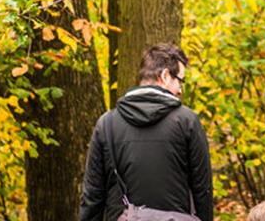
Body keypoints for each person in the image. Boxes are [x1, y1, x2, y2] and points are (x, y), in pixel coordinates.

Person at [79, 44, 214, 221]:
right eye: (180, 81)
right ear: (165, 76)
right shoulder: (187, 122)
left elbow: (92, 197)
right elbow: (202, 191)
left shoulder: (107, 124)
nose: (181, 90)